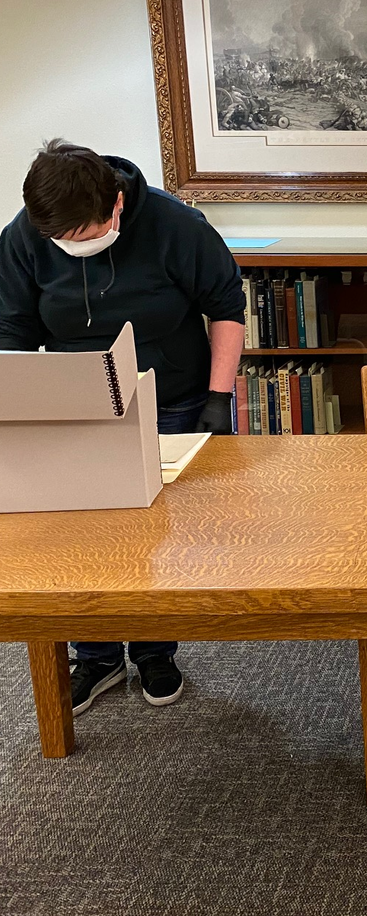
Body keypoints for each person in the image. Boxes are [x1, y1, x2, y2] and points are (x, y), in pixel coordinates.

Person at [0, 140, 246, 716]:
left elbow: (226, 305)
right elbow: (10, 326)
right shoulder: (27, 235)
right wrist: (15, 408)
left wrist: (218, 398)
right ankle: (97, 655)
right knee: (81, 535)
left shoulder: (173, 224)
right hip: (73, 402)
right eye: (65, 243)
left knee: (156, 531)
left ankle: (156, 649)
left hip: (170, 395)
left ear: (115, 204)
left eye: (87, 236)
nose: (76, 249)